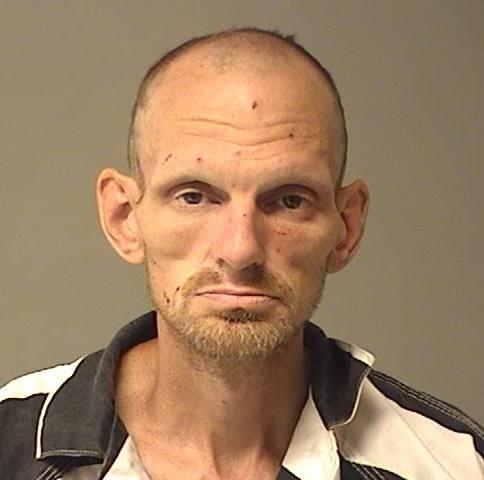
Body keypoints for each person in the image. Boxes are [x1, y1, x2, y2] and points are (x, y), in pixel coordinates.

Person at [0, 28, 482, 480]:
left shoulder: (453, 465)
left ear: (346, 227)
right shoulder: (9, 446)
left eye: (289, 200)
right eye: (194, 196)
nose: (240, 249)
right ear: (124, 217)